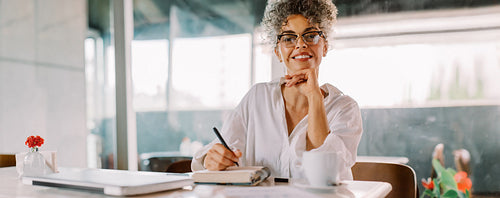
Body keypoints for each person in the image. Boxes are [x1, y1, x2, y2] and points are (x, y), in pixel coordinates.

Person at [191, 0, 363, 180]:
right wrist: (212, 160)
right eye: (289, 38)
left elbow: (325, 174)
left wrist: (314, 97)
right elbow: (218, 150)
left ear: (325, 46)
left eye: (311, 35)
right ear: (277, 52)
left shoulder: (345, 108)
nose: (300, 44)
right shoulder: (257, 98)